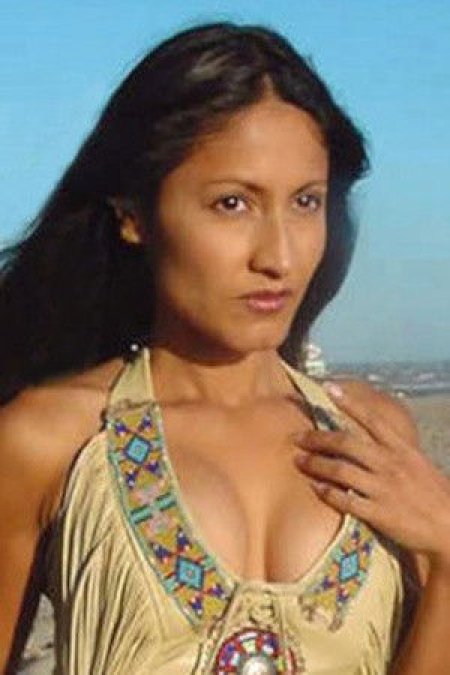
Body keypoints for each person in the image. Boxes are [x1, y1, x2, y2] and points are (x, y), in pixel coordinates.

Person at [0, 22, 449, 675]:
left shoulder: (372, 437)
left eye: (306, 201)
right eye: (232, 203)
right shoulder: (50, 442)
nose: (279, 256)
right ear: (133, 214)